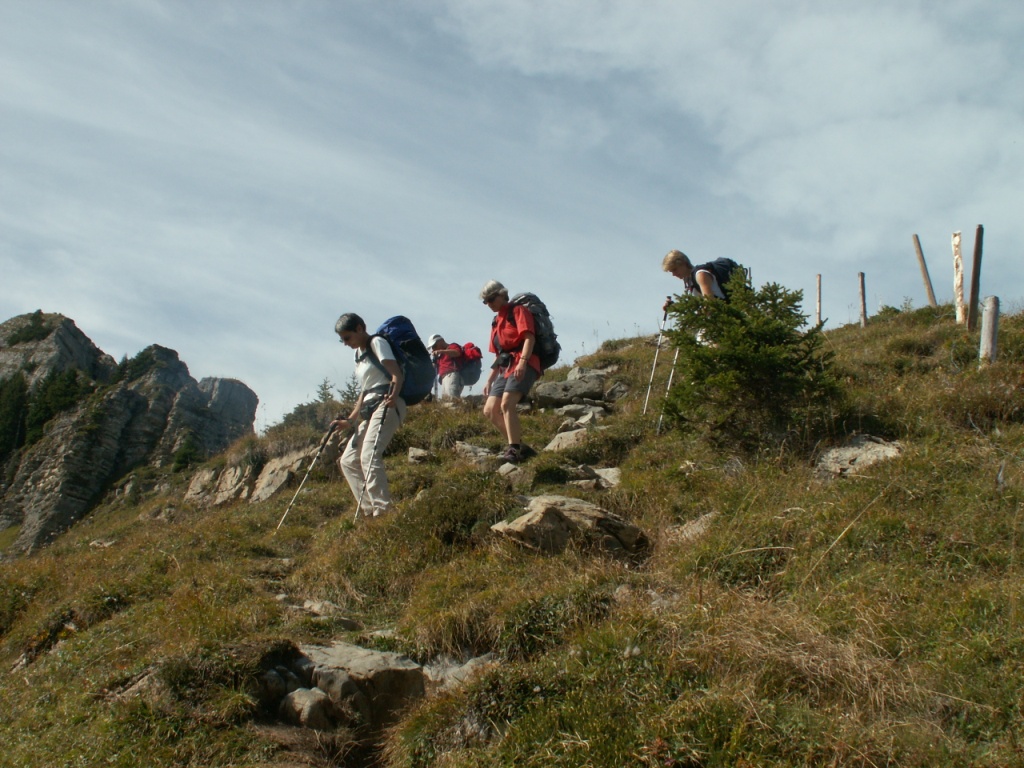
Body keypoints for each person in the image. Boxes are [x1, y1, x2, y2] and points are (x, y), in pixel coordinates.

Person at [331, 313, 405, 518]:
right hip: (370, 407)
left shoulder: (377, 343)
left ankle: (383, 512)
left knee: (369, 455)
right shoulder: (358, 354)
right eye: (342, 339)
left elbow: (396, 374)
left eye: (347, 338)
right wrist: (350, 420)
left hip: (387, 402)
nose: (345, 343)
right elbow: (364, 391)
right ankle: (369, 511)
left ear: (360, 328)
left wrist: (393, 396)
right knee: (347, 461)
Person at [480, 280, 541, 464]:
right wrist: (489, 379)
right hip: (506, 367)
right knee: (490, 410)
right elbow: (499, 355)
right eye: (485, 301)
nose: (489, 304)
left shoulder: (518, 311)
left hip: (525, 361)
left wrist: (523, 362)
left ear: (502, 294)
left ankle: (513, 449)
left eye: (491, 299)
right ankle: (520, 447)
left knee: (507, 403)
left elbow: (529, 337)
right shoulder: (496, 322)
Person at [661, 249, 727, 311]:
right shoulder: (690, 282)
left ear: (683, 263)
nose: (673, 274)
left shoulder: (700, 275)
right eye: (671, 271)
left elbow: (710, 303)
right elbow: (698, 305)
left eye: (674, 269)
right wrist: (675, 307)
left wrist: (699, 318)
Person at [427, 334, 465, 400]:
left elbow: (457, 353)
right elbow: (435, 368)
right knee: (446, 400)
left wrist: (440, 351)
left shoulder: (453, 346)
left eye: (434, 346)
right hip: (444, 378)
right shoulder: (440, 355)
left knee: (452, 398)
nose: (434, 348)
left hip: (452, 375)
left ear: (441, 341)